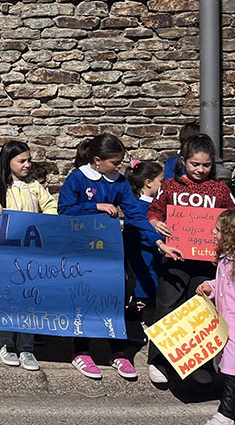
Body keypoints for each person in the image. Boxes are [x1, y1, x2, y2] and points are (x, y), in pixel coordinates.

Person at [58, 134, 173, 381]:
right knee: (83, 299)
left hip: (109, 250)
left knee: (116, 297)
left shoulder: (119, 182)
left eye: (121, 162)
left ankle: (118, 351)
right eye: (115, 162)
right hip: (81, 249)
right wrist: (95, 207)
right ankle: (81, 349)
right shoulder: (77, 179)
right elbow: (64, 211)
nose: (119, 167)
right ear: (97, 160)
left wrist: (157, 240)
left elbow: (135, 214)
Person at [146, 134, 235, 385]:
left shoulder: (220, 189)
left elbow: (231, 217)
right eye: (195, 164)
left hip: (207, 260)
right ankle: (159, 361)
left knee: (201, 309)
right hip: (174, 257)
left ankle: (199, 361)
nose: (200, 169)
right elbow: (153, 211)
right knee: (167, 307)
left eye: (206, 165)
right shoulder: (171, 186)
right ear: (183, 161)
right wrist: (157, 225)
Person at [0, 140, 57, 372]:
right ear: (9, 162)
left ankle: (27, 347)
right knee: (8, 299)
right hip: (6, 255)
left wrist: (47, 221)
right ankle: (6, 344)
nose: (27, 165)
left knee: (29, 299)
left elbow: (51, 207)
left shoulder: (34, 186)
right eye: (21, 161)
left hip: (31, 254)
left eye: (28, 160)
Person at [197, 209, 235, 425]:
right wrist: (209, 286)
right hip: (224, 324)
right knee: (225, 366)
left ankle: (226, 414)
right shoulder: (225, 259)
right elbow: (222, 285)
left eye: (218, 230)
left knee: (231, 370)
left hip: (234, 326)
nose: (213, 232)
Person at [122, 160, 164, 334]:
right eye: (161, 181)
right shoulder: (139, 207)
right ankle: (136, 326)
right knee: (142, 296)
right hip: (143, 260)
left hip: (151, 259)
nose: (163, 185)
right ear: (148, 183)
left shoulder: (150, 205)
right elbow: (141, 234)